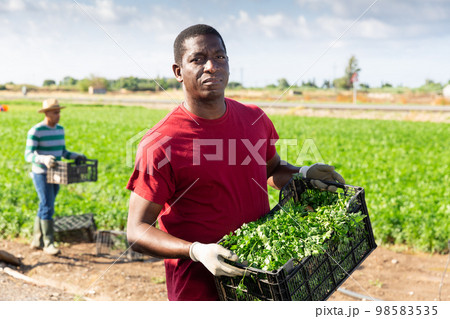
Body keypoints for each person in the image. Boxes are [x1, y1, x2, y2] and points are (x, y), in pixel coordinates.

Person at [126, 24, 345, 301]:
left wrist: (301, 173)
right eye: (198, 59)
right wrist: (196, 250)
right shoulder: (160, 143)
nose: (211, 67)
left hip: (262, 282)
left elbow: (271, 170)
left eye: (220, 57)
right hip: (199, 292)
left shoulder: (253, 119)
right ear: (178, 72)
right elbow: (137, 230)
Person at [25, 99, 86, 255]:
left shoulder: (60, 130)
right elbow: (28, 155)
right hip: (41, 172)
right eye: (55, 112)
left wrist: (75, 156)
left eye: (59, 112)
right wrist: (43, 159)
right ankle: (48, 243)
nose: (58, 115)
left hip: (57, 172)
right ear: (46, 113)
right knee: (47, 205)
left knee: (45, 204)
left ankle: (36, 240)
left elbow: (63, 152)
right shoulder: (36, 131)